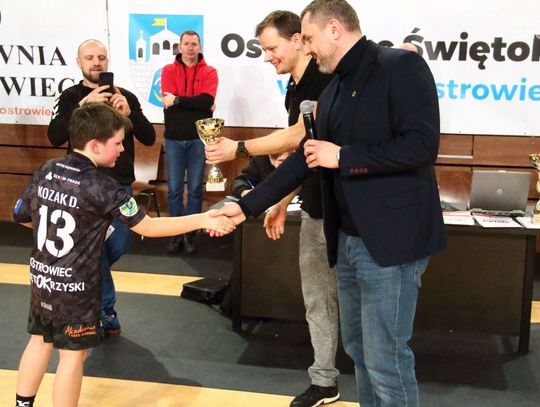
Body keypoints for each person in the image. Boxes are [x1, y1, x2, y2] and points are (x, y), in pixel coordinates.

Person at [215, 1, 447, 406]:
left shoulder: (399, 66)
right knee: (360, 352)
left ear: (335, 29)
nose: (306, 47)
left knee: (386, 360)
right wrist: (248, 205)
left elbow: (422, 146)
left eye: (309, 38)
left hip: (392, 243)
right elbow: (305, 157)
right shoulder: (334, 87)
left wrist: (344, 157)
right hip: (348, 241)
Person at [13, 103, 234, 407]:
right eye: (117, 143)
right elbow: (149, 227)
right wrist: (204, 219)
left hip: (43, 279)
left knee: (39, 341)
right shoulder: (105, 187)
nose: (121, 150)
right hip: (77, 289)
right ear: (96, 145)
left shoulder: (47, 169)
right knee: (73, 356)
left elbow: (22, 215)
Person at [47, 39, 156, 336]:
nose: (96, 62)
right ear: (79, 62)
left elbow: (148, 137)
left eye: (101, 57)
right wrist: (81, 107)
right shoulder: (70, 97)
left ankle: (88, 294)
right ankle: (106, 312)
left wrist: (130, 114)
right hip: (81, 187)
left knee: (116, 245)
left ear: (107, 61)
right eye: (90, 58)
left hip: (118, 186)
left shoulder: (125, 96)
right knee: (94, 252)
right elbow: (54, 137)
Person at [161, 30, 218, 255]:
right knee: (174, 189)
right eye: (186, 44)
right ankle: (176, 233)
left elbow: (207, 101)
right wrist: (197, 105)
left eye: (194, 44)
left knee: (194, 189)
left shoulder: (209, 71)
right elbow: (200, 104)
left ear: (199, 47)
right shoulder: (168, 70)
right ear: (179, 47)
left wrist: (177, 100)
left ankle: (191, 234)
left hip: (198, 140)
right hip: (173, 140)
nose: (190, 48)